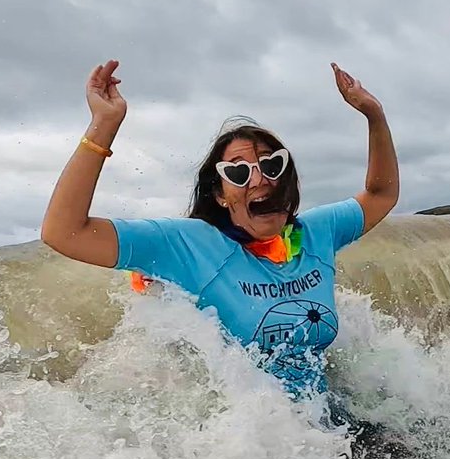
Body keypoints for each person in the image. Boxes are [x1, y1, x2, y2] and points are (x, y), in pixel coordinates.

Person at [41, 59, 399, 398]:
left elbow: (381, 194)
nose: (259, 179)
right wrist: (104, 124)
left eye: (271, 165)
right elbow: (64, 232)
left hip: (327, 424)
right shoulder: (189, 244)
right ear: (220, 195)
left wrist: (374, 114)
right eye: (239, 172)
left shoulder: (317, 232)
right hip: (251, 436)